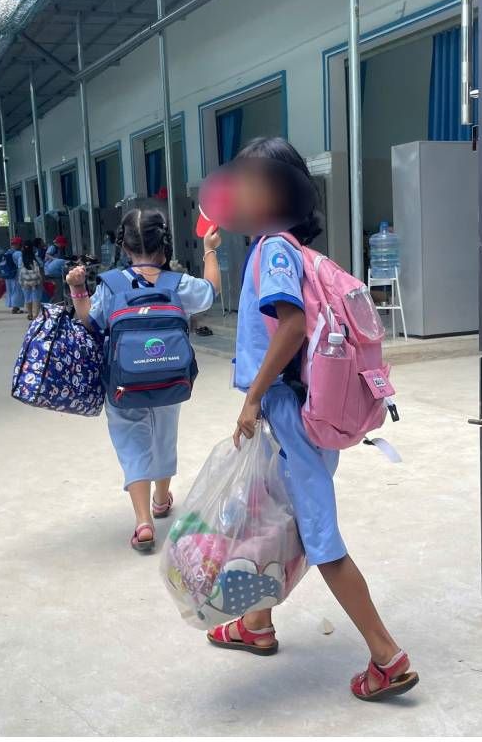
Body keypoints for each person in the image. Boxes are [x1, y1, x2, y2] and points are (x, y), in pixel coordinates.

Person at [204, 136, 417, 702]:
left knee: (319, 536)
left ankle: (387, 657)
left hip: (288, 413)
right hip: (301, 410)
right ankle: (257, 624)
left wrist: (253, 398)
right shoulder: (287, 247)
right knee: (276, 516)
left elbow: (294, 325)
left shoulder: (273, 249)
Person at [65, 208, 222, 552]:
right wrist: (209, 250)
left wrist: (78, 288)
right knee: (164, 434)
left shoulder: (111, 284)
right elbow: (210, 291)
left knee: (132, 443)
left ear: (124, 247)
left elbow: (90, 323)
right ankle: (162, 500)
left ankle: (143, 522)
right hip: (170, 378)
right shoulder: (177, 283)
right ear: (164, 245)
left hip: (122, 381)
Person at [16, 239, 43, 321]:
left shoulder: (20, 258)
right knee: (36, 297)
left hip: (25, 280)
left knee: (27, 297)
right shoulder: (35, 257)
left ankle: (30, 314)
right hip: (35, 280)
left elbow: (19, 269)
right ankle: (36, 315)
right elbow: (41, 265)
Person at [1, 237, 25, 314]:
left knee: (10, 290)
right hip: (16, 274)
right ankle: (15, 308)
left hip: (8, 274)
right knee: (16, 290)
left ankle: (13, 306)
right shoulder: (18, 253)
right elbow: (20, 264)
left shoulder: (7, 252)